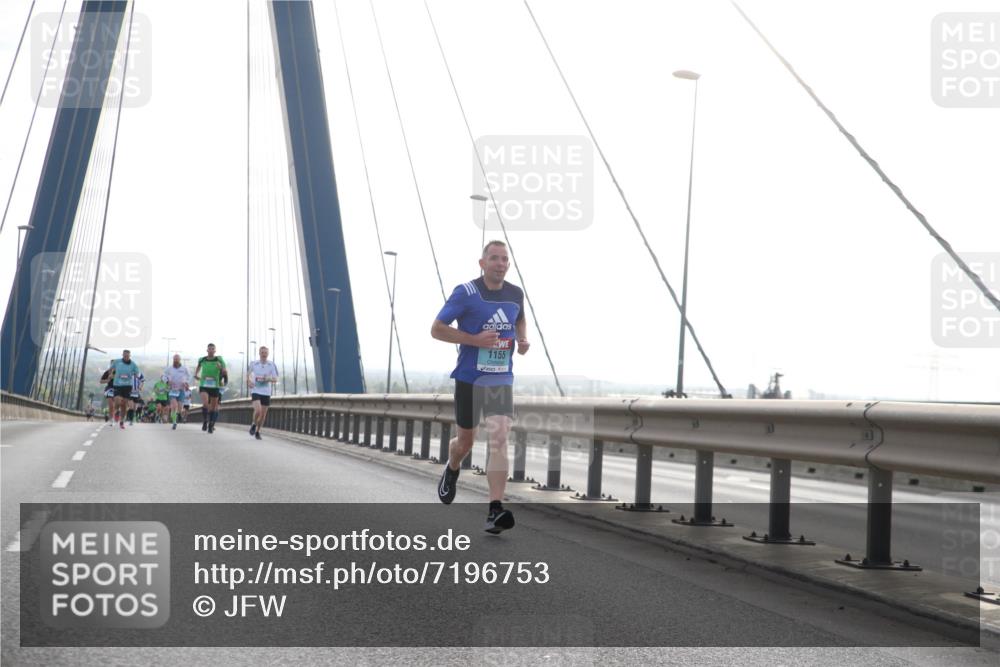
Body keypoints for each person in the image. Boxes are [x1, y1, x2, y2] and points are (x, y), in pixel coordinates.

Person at [430, 240, 530, 534]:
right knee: (466, 443)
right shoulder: (466, 293)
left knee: (499, 437)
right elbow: (436, 329)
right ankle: (452, 466)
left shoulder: (515, 294)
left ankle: (494, 510)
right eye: (494, 258)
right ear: (482, 263)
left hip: (500, 378)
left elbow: (520, 318)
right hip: (469, 378)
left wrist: (521, 341)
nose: (500, 263)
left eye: (504, 259)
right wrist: (475, 340)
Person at [194, 343, 228, 434]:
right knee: (205, 404)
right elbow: (198, 367)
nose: (211, 350)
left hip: (215, 386)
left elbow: (224, 371)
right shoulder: (202, 359)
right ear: (207, 350)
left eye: (213, 349)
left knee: (213, 408)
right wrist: (196, 374)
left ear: (215, 350)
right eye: (210, 349)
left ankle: (211, 424)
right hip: (204, 384)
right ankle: (205, 421)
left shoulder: (219, 359)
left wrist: (220, 368)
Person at [247, 345, 279, 441]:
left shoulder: (271, 365)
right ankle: (253, 424)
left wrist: (268, 379)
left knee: (263, 415)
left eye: (265, 353)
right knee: (258, 411)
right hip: (256, 390)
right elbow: (247, 375)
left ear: (268, 354)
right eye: (262, 352)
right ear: (259, 353)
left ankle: (258, 431)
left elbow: (275, 379)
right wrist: (249, 382)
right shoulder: (253, 363)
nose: (264, 354)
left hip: (266, 392)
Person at [107, 350, 141, 430]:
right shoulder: (117, 362)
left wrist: (136, 375)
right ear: (122, 355)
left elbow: (138, 373)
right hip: (117, 385)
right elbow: (110, 369)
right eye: (125, 355)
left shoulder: (133, 364)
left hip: (127, 386)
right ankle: (117, 412)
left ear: (130, 356)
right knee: (118, 400)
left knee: (124, 404)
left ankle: (122, 420)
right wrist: (111, 374)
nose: (126, 357)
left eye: (127, 356)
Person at [162, 354, 192, 430]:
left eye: (177, 360)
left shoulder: (184, 368)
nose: (175, 361)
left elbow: (189, 376)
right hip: (172, 390)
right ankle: (174, 422)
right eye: (174, 360)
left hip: (181, 390)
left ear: (179, 360)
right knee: (174, 406)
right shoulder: (169, 368)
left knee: (180, 407)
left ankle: (178, 414)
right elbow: (163, 376)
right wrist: (167, 381)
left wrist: (186, 383)